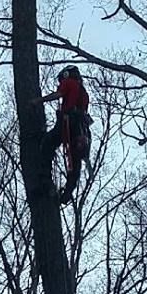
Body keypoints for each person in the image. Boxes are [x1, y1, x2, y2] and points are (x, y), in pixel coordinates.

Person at [43, 65, 92, 202]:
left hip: (68, 121)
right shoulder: (83, 92)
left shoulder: (69, 82)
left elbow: (58, 95)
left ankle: (44, 176)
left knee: (48, 143)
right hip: (81, 127)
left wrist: (39, 101)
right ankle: (68, 191)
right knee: (75, 158)